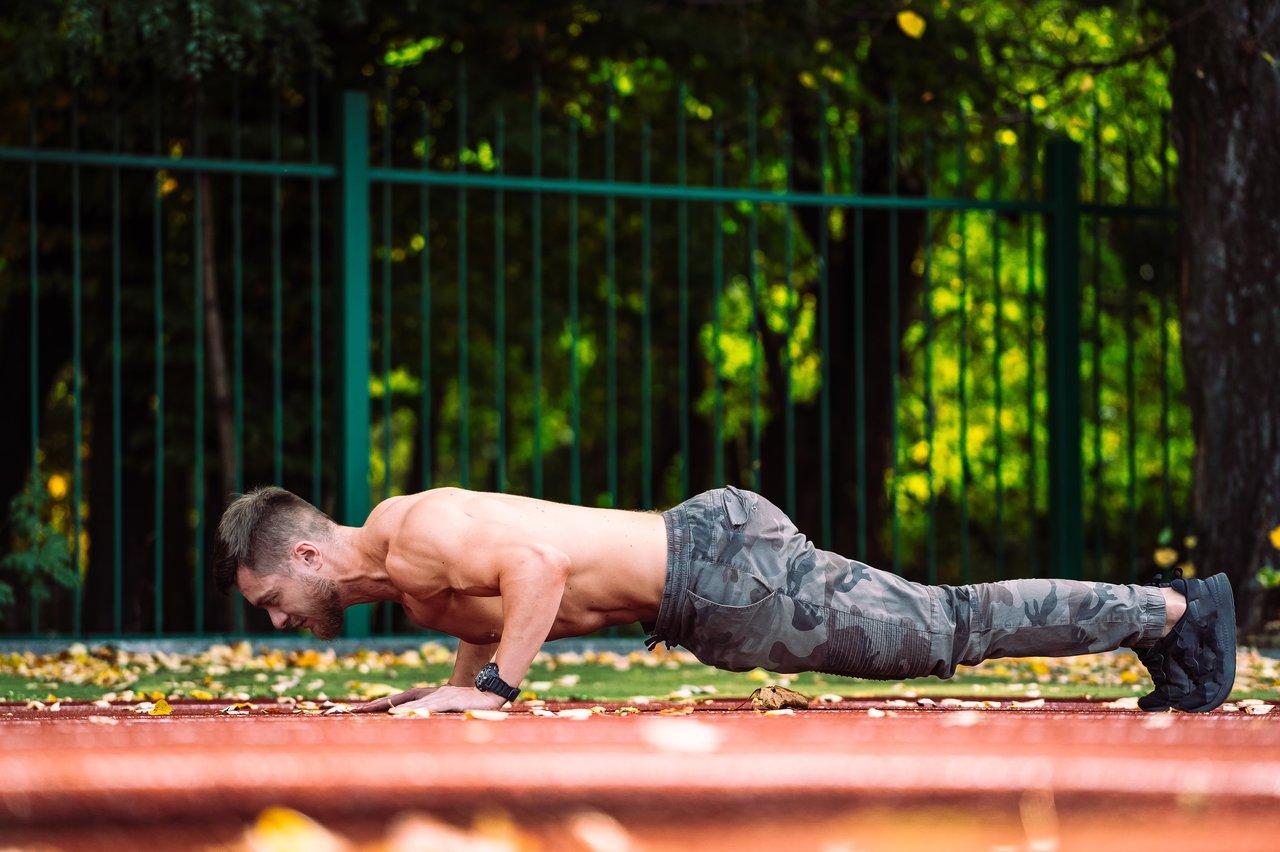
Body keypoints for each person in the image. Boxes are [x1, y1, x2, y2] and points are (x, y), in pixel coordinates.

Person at [212, 484, 1236, 714]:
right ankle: (1166, 625)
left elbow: (537, 571)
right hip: (708, 579)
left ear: (306, 552)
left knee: (945, 627)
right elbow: (494, 607)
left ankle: (1173, 617)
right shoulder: (407, 580)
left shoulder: (415, 532)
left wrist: (493, 691)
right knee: (941, 621)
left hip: (722, 575)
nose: (275, 619)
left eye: (271, 598)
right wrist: (442, 692)